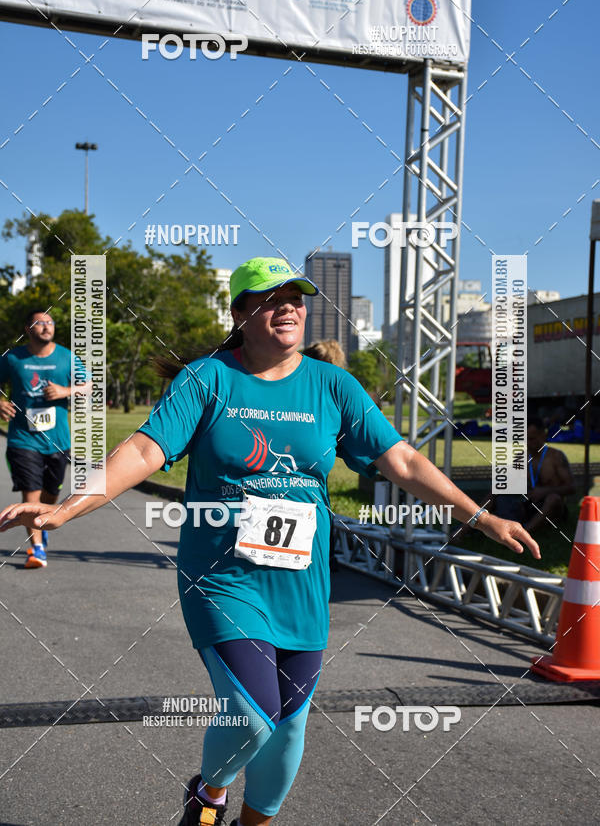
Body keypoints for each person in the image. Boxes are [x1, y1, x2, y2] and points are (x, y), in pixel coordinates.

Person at [0, 257, 540, 826]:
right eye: (270, 299)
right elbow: (141, 451)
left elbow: (401, 460)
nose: (288, 308)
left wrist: (481, 516)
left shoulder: (333, 385)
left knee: (288, 726)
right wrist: (66, 509)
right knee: (251, 715)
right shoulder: (208, 379)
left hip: (301, 585)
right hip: (223, 577)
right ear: (240, 314)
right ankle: (208, 795)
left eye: (295, 299)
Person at [0, 309, 89, 568]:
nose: (46, 326)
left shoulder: (67, 357)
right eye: (40, 323)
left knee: (51, 494)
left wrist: (65, 390)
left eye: (50, 322)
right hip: (23, 440)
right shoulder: (12, 358)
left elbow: (89, 386)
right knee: (32, 494)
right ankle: (37, 549)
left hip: (58, 441)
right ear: (28, 329)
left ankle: (43, 523)